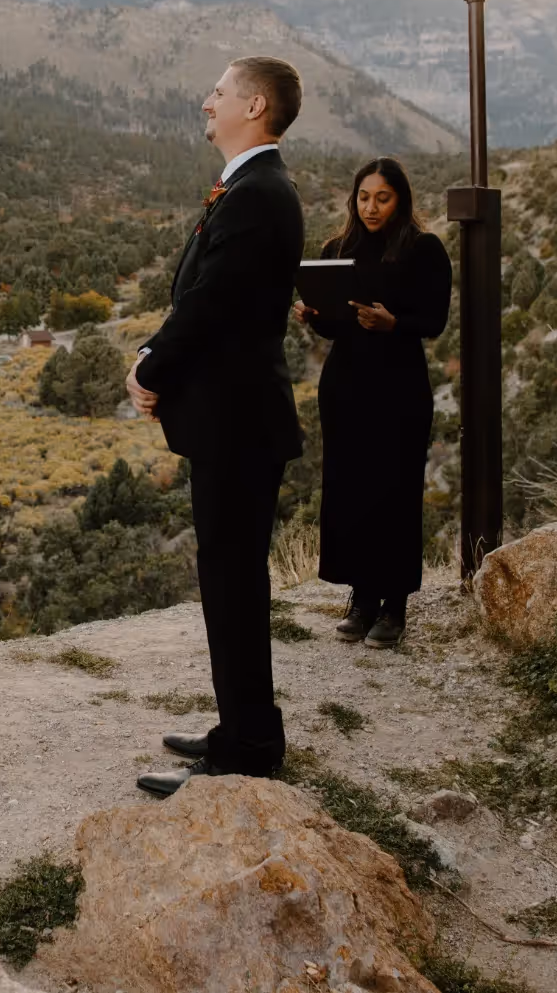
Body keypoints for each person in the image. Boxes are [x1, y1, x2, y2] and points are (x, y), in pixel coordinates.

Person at [125, 57, 306, 797]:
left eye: (221, 91)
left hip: (237, 423)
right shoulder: (249, 188)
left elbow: (210, 303)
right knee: (229, 580)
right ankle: (243, 729)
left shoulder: (260, 194)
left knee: (232, 583)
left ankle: (247, 751)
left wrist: (149, 369)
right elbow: (205, 297)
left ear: (254, 105)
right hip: (231, 422)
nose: (207, 100)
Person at [298, 157, 451, 649]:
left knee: (395, 491)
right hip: (346, 386)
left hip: (400, 386)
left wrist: (395, 323)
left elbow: (434, 320)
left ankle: (395, 606)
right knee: (351, 490)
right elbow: (334, 325)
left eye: (382, 198)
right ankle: (362, 600)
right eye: (364, 197)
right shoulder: (336, 250)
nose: (371, 207)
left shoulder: (424, 250)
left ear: (401, 200)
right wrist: (313, 315)